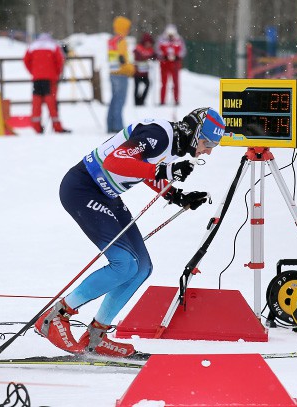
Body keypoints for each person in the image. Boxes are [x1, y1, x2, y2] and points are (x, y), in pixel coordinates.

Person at [35, 107, 227, 357]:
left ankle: (97, 335)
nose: (209, 151)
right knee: (124, 264)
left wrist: (176, 194)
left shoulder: (174, 144)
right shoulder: (160, 135)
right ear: (195, 132)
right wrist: (162, 172)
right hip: (83, 189)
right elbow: (116, 160)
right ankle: (55, 317)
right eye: (208, 142)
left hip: (107, 194)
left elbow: (142, 167)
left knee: (142, 267)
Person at [23, 33, 70, 133]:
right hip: (50, 78)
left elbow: (26, 60)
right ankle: (57, 127)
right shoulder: (54, 46)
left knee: (37, 103)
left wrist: (33, 71)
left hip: (37, 78)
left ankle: (37, 127)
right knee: (51, 103)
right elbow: (60, 61)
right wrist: (56, 74)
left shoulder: (32, 46)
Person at [107, 16, 135, 133]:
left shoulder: (112, 40)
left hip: (113, 73)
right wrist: (131, 69)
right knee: (119, 101)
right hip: (121, 74)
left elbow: (114, 58)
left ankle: (110, 124)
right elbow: (122, 59)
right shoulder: (122, 41)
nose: (129, 30)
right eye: (127, 27)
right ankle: (118, 126)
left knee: (114, 100)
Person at [157, 24, 186, 105]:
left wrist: (177, 56)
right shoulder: (162, 40)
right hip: (164, 65)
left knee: (176, 83)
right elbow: (158, 50)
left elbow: (183, 51)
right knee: (164, 83)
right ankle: (162, 100)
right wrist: (163, 56)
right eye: (169, 35)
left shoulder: (179, 40)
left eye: (172, 35)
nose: (170, 36)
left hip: (175, 65)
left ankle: (176, 100)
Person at [133, 33, 156, 106]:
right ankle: (136, 101)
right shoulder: (138, 48)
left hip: (145, 73)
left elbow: (154, 56)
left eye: (149, 43)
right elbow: (135, 54)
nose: (148, 45)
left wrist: (153, 58)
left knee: (148, 85)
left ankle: (142, 100)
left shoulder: (150, 50)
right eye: (147, 43)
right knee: (136, 87)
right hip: (137, 73)